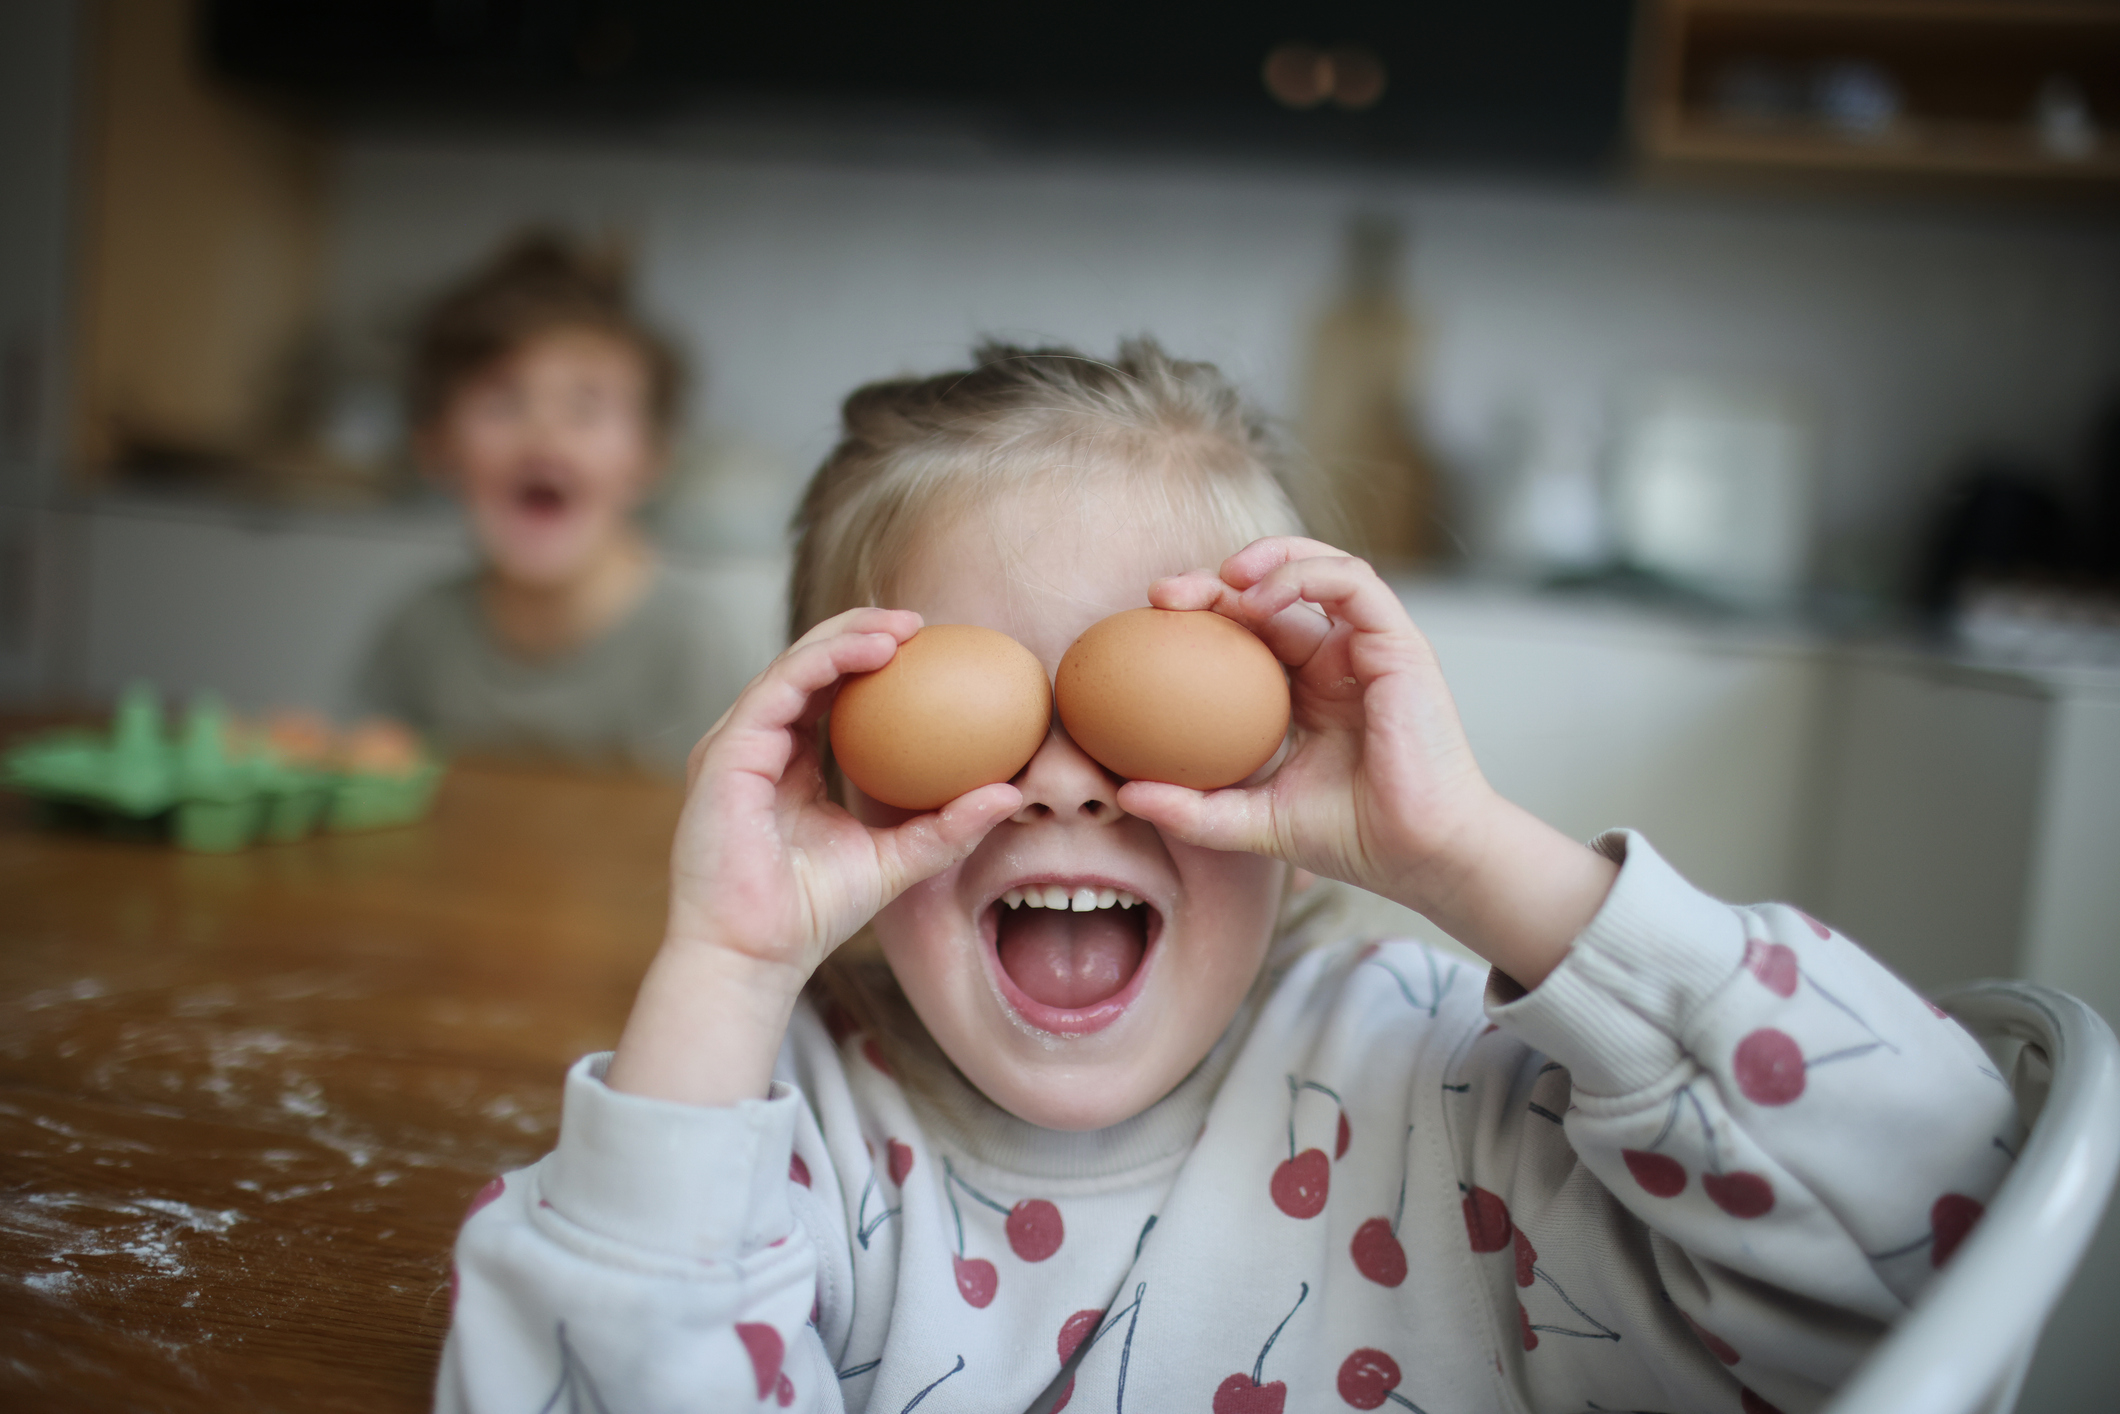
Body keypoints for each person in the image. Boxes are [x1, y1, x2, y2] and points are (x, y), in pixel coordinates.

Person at [438, 342, 2017, 1413]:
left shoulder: (1436, 1091)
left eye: (1148, 700)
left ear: (1284, 739)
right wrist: (722, 970)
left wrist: (1469, 853)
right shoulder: (781, 1135)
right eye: (981, 705)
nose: (1064, 778)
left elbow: (1944, 1222)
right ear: (836, 767)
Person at [357, 233, 751, 776]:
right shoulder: (420, 633)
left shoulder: (692, 646)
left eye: (585, 407)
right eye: (503, 402)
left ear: (650, 457)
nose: (544, 433)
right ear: (435, 445)